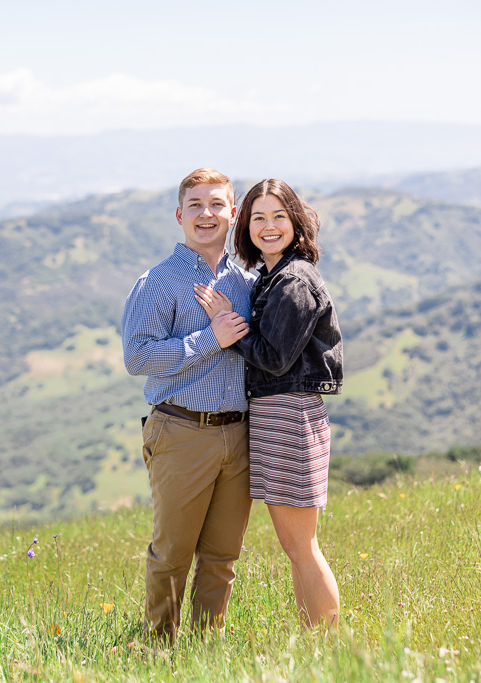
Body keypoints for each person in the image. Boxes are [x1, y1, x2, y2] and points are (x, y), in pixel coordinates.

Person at [194, 178, 343, 628]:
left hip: (289, 417)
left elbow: (274, 358)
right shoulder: (274, 277)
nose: (268, 226)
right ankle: (317, 641)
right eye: (259, 217)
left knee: (301, 546)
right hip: (280, 416)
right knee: (295, 546)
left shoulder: (294, 281)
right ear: (247, 226)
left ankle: (330, 646)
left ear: (296, 222)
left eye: (279, 216)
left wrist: (225, 322)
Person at [121, 168, 256, 642]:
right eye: (195, 205)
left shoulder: (246, 282)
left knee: (223, 555)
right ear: (180, 215)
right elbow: (137, 356)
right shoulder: (159, 281)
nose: (206, 214)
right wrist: (209, 338)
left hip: (239, 434)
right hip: (180, 431)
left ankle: (204, 649)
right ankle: (158, 650)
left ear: (233, 213)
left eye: (216, 204)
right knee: (173, 554)